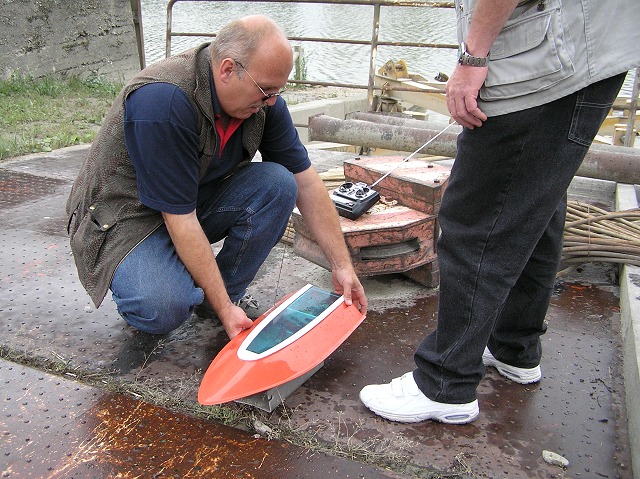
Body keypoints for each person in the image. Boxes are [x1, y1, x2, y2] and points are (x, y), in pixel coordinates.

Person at [360, 0, 640, 423]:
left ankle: (445, 383)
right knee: (536, 202)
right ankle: (514, 346)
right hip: (587, 52)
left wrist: (473, 57)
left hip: (540, 60)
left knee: (476, 219)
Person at [66, 15, 367, 340]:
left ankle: (218, 296)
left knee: (280, 183)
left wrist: (342, 264)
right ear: (226, 69)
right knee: (164, 307)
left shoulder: (263, 103)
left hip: (188, 199)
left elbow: (305, 182)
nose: (271, 101)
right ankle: (186, 291)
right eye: (265, 90)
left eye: (277, 91)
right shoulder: (163, 101)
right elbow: (179, 218)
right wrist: (227, 310)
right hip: (125, 217)